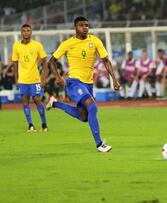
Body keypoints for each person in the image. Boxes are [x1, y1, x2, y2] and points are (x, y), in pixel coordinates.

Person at [46, 16, 120, 153]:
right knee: (92, 107)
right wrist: (58, 77)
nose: (85, 27)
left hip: (88, 84)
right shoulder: (67, 43)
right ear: (75, 28)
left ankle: (55, 103)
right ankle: (99, 144)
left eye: (87, 25)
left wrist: (114, 80)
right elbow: (51, 61)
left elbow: (106, 60)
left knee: (84, 116)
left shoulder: (95, 40)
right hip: (74, 81)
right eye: (81, 25)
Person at [12, 24, 49, 132]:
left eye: (28, 30)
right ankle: (30, 125)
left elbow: (44, 61)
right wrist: (16, 78)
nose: (26, 32)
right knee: (25, 102)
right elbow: (15, 63)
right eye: (24, 31)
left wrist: (43, 78)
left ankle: (44, 124)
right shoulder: (16, 46)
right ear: (21, 33)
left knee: (37, 99)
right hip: (23, 79)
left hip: (35, 79)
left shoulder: (37, 45)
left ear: (31, 32)